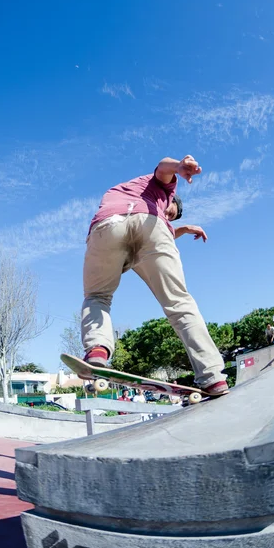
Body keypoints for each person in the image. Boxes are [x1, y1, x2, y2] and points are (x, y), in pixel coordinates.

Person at [80, 155, 229, 396]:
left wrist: (184, 228)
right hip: (146, 225)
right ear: (171, 200)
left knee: (97, 296)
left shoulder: (123, 191)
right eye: (173, 212)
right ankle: (212, 374)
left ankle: (97, 348)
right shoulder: (160, 187)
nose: (170, 217)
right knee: (178, 301)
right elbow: (162, 168)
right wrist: (179, 166)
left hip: (107, 226)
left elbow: (152, 233)